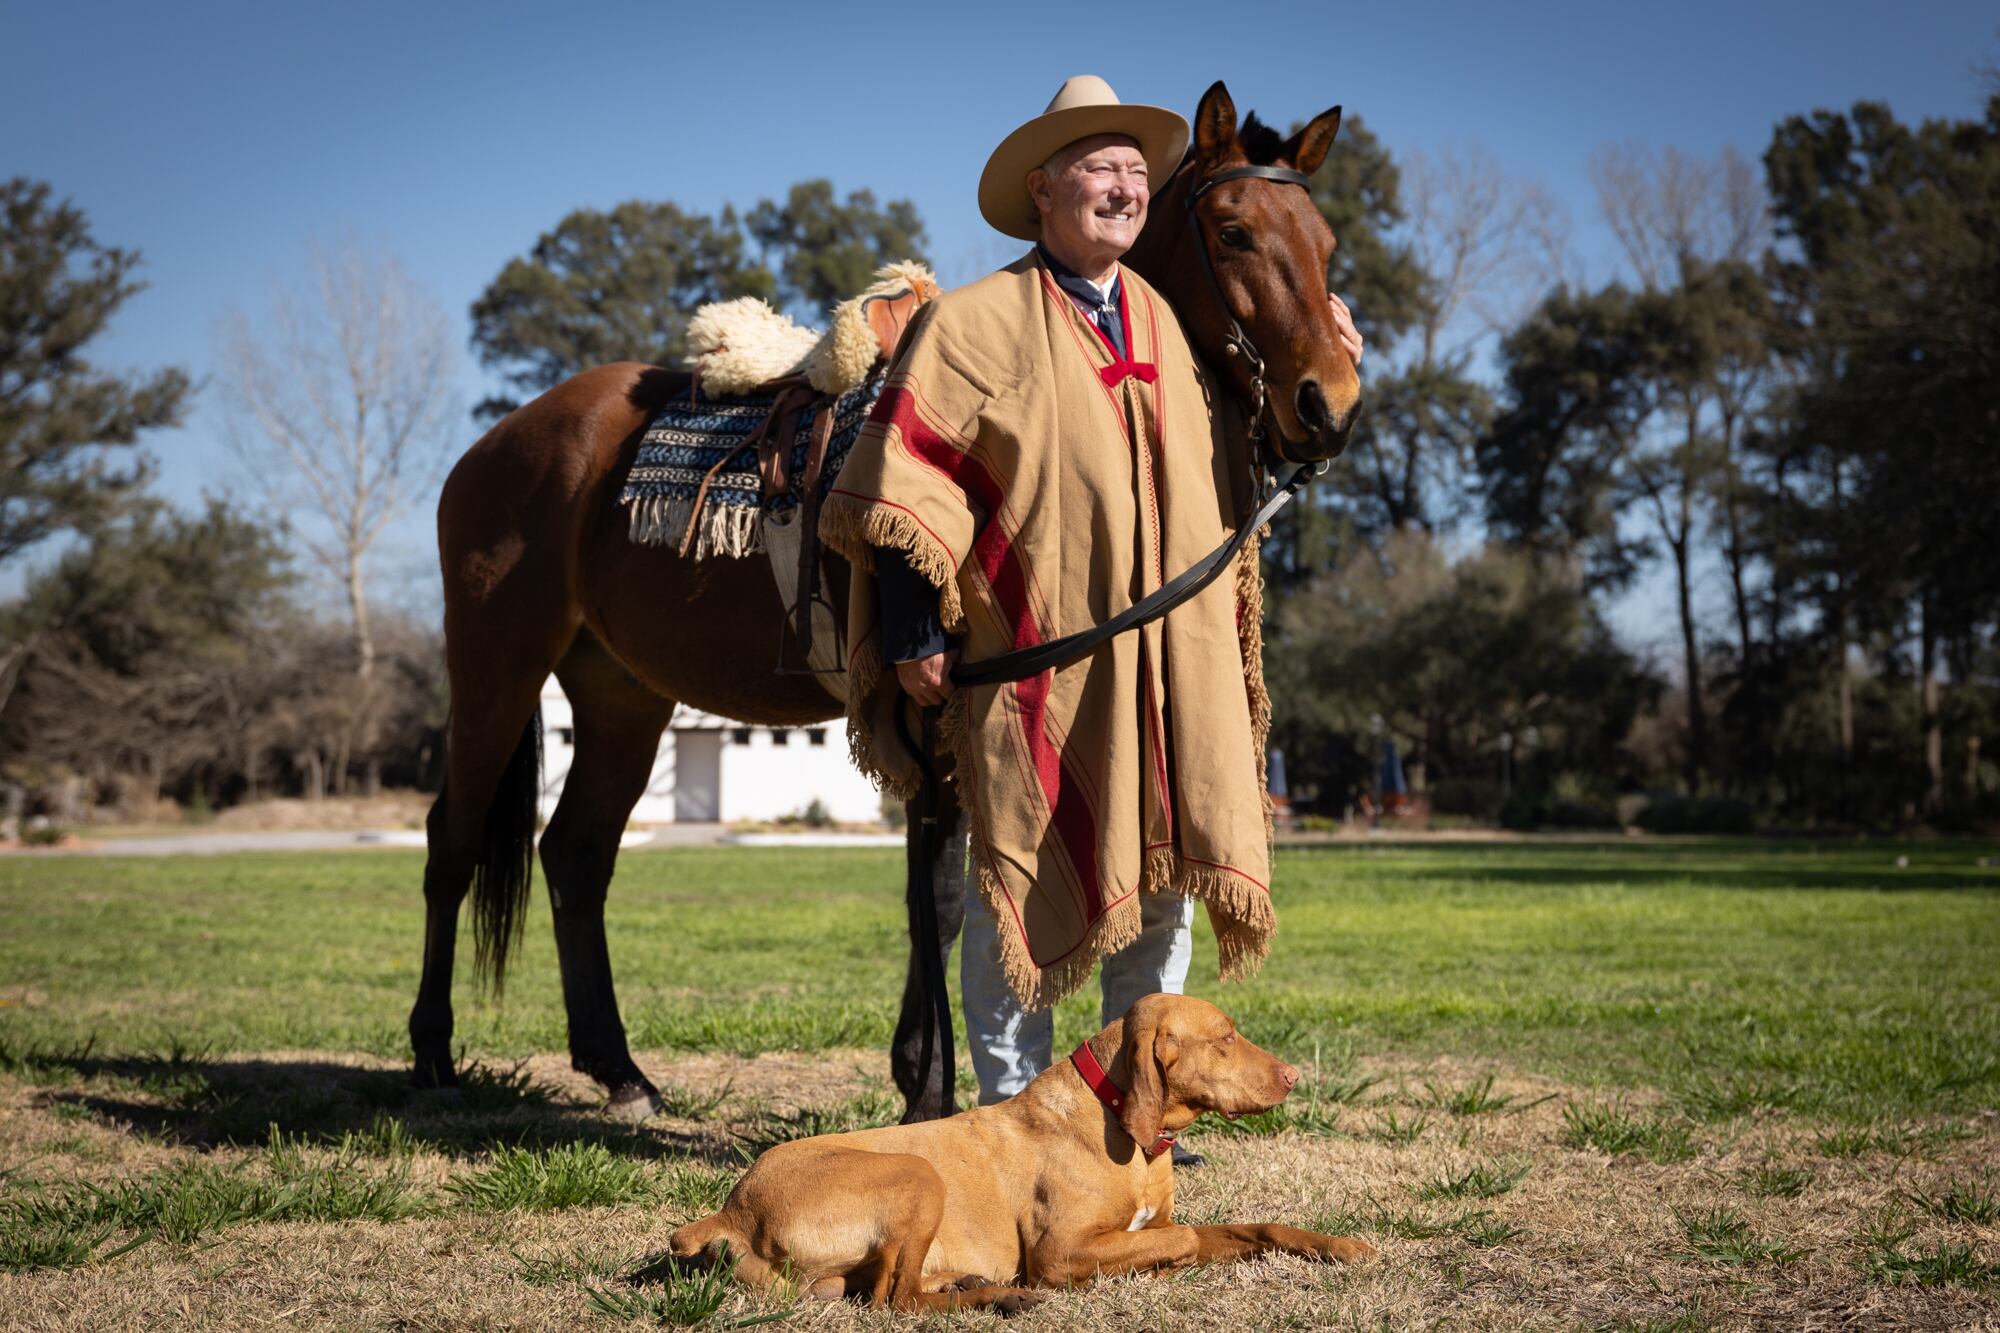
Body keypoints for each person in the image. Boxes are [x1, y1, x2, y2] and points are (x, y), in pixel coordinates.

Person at [821, 76, 1363, 1126]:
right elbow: (905, 478)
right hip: (1038, 675)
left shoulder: (1174, 327)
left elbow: (1249, 455)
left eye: (1133, 170)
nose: (1122, 187)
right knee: (1017, 892)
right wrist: (913, 626)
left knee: (1161, 897)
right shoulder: (971, 323)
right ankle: (1010, 1122)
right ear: (1042, 190)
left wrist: (1331, 350)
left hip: (1170, 674)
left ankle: (1132, 1117)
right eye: (1096, 168)